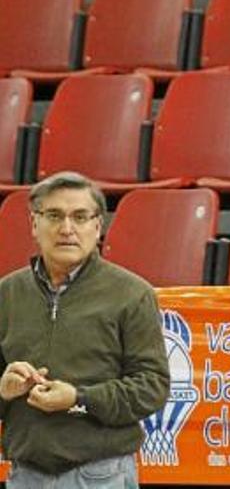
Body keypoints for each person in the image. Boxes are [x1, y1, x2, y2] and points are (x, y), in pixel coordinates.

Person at [0, 172, 170, 488]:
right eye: (53, 215)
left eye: (79, 217)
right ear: (34, 225)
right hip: (24, 474)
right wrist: (3, 389)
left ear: (97, 226)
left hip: (101, 475)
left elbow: (152, 387)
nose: (67, 228)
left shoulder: (132, 294)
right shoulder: (6, 293)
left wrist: (79, 398)